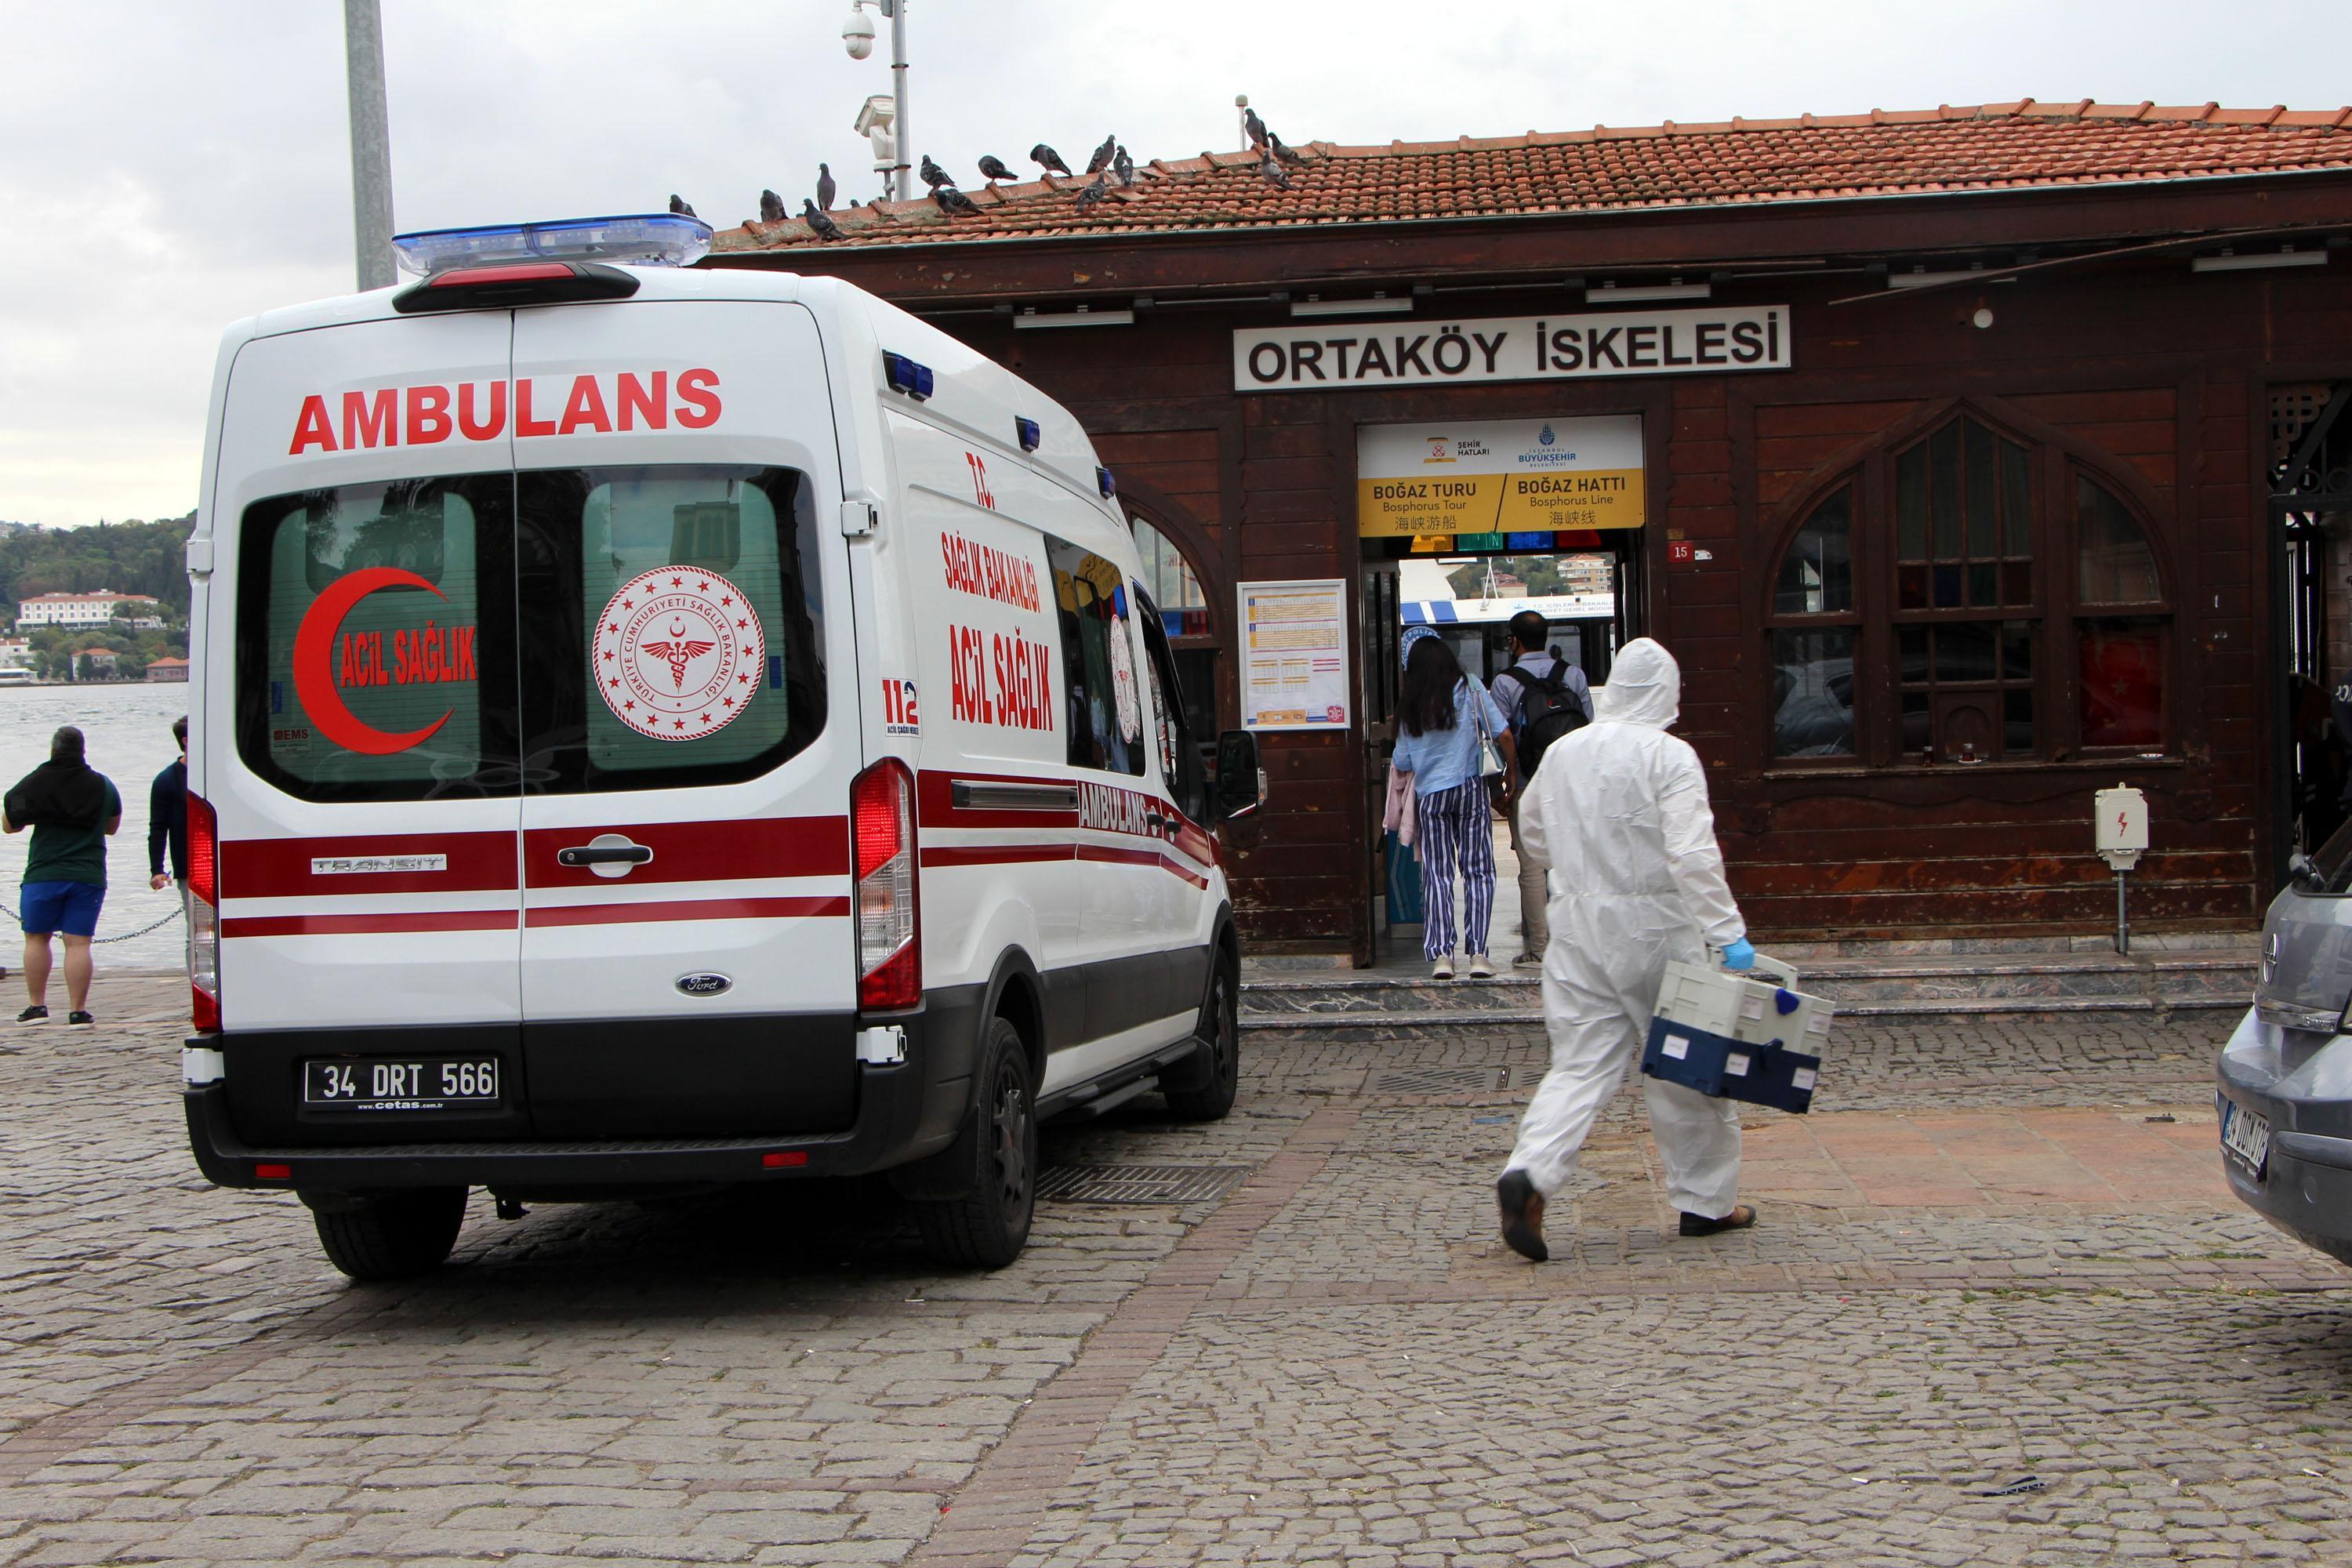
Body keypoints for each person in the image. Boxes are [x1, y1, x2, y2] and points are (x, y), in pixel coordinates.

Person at [1494, 638, 1757, 1262]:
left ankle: (1530, 1174)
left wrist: (1587, 872)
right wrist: (1727, 932)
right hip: (1658, 926)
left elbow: (1531, 830)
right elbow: (1692, 855)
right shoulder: (1670, 755)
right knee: (1685, 1067)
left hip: (1579, 925)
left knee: (1581, 1062)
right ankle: (1706, 1203)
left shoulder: (1564, 752)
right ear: (1666, 692)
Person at [1390, 628, 1515, 981]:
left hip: (1432, 796)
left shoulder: (1410, 704)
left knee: (1437, 876)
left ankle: (1442, 955)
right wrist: (1512, 775)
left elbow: (1402, 760)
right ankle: (1478, 954)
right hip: (1470, 790)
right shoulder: (1472, 687)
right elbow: (1503, 734)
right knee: (1479, 872)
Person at [1487, 611, 1593, 969]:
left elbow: (1499, 738)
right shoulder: (1574, 674)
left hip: (1528, 783)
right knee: (1569, 863)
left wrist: (1505, 781)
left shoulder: (1504, 682)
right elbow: (1588, 728)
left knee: (1531, 868)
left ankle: (1539, 950)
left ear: (1514, 641)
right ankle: (1576, 945)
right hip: (1569, 783)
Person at [3, 727, 123, 1028]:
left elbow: (9, 823)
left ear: (54, 750)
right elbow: (112, 827)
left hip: (44, 872)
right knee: (79, 944)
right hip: (88, 873)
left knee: (36, 938)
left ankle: (36, 1007)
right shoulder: (103, 786)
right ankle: (78, 1011)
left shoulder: (36, 782)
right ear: (83, 750)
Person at [151, 716, 191, 967]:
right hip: (189, 866)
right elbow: (158, 828)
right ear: (185, 741)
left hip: (229, 863)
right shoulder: (167, 780)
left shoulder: (220, 771)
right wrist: (157, 869)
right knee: (197, 933)